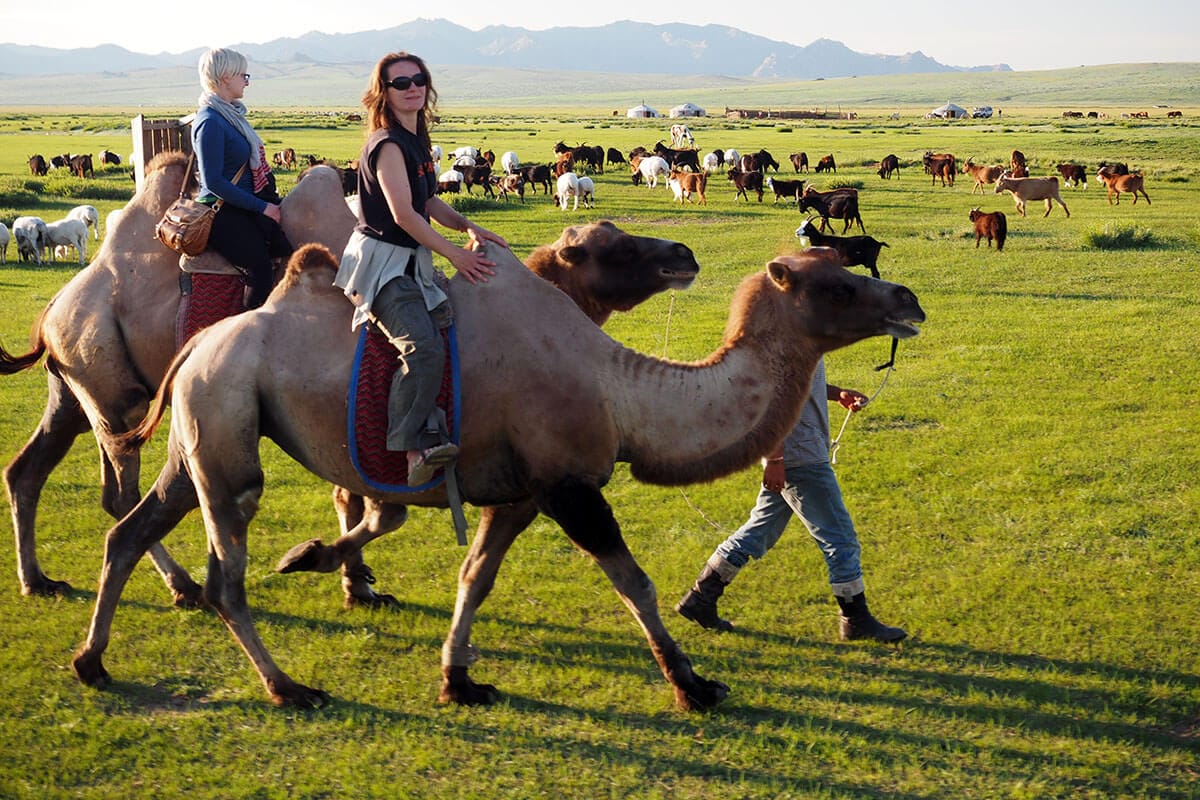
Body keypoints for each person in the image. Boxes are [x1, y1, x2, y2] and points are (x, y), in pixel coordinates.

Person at [334, 51, 508, 486]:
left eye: (419, 79)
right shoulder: (389, 144)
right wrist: (456, 255)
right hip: (384, 265)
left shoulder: (417, 138)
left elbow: (428, 200)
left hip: (411, 259)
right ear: (384, 93)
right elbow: (405, 216)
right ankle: (410, 447)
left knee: (450, 330)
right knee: (423, 347)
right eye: (401, 83)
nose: (412, 87)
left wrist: (470, 225)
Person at [675, 357, 907, 643]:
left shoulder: (796, 325)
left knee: (758, 531)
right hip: (799, 457)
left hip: (797, 453)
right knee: (840, 539)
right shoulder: (781, 328)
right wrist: (776, 458)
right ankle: (856, 620)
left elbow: (799, 383)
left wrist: (836, 393)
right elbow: (767, 398)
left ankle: (701, 598)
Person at [192, 47, 292, 309]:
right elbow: (213, 181)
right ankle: (247, 333)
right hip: (222, 210)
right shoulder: (210, 121)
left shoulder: (230, 115)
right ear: (226, 77)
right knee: (260, 269)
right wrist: (263, 207)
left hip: (241, 204)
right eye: (243, 76)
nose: (246, 82)